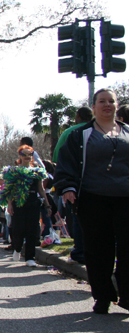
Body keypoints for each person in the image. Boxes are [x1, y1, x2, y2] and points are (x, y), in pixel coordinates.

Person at [55, 88, 129, 314]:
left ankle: (127, 295)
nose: (107, 105)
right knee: (99, 251)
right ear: (94, 107)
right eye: (102, 101)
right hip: (93, 199)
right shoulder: (80, 135)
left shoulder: (127, 131)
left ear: (117, 105)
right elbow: (66, 163)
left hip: (125, 199)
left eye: (111, 101)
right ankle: (103, 296)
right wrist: (68, 188)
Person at [52, 106, 93, 264]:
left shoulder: (70, 132)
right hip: (99, 182)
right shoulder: (101, 131)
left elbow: (57, 157)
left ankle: (80, 250)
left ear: (78, 116)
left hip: (76, 183)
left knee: (77, 216)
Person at [0, 145, 51, 268]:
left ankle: (30, 257)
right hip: (19, 203)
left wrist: (47, 205)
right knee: (18, 230)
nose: (27, 157)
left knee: (32, 230)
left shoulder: (37, 172)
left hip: (33, 202)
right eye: (24, 154)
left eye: (30, 154)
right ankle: (17, 248)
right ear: (20, 156)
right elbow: (10, 189)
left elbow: (41, 189)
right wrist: (10, 204)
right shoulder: (14, 171)